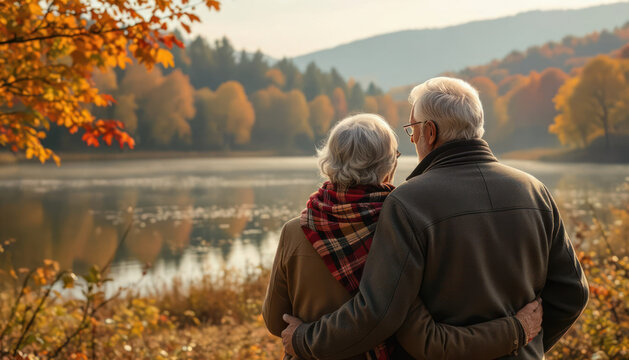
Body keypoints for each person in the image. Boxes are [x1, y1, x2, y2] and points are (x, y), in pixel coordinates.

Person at [281, 78, 589, 359]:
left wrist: (303, 340)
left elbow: (378, 313)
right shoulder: (536, 192)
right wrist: (527, 343)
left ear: (430, 132)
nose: (412, 139)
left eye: (412, 130)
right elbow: (573, 292)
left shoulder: (408, 202)